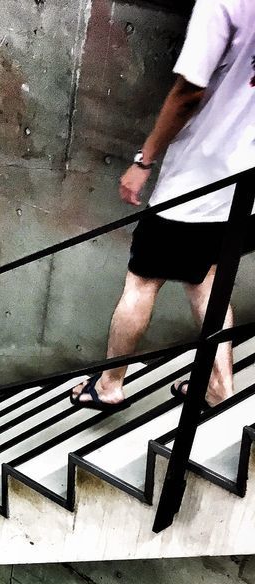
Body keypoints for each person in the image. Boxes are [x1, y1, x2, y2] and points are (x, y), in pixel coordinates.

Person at [70, 0, 255, 412]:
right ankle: (220, 387)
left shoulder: (222, 3)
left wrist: (144, 160)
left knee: (142, 281)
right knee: (207, 279)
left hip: (196, 181)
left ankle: (109, 385)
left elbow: (189, 92)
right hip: (243, 185)